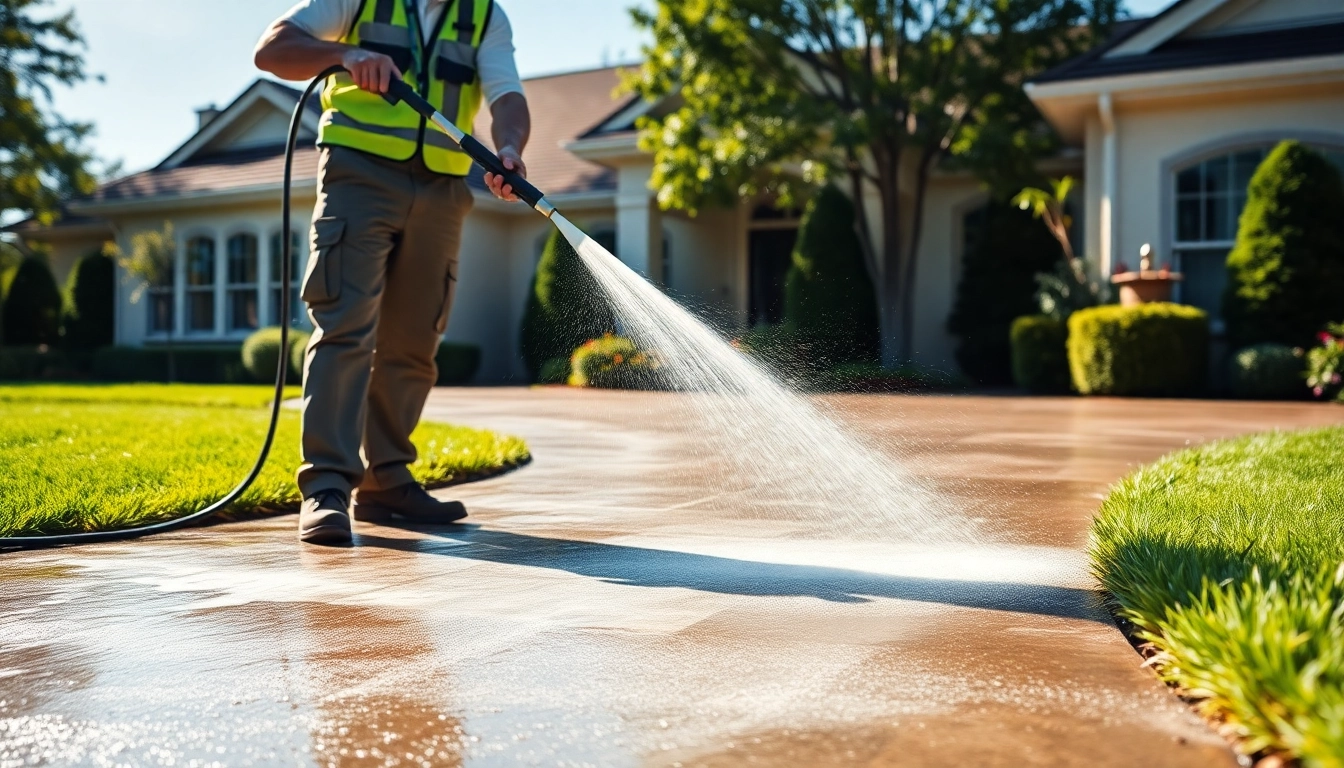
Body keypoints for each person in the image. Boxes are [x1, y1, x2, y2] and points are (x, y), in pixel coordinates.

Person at [254, 0, 530, 545]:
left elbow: (506, 94)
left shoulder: (483, 15)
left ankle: (386, 481)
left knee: (415, 340)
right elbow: (273, 51)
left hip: (443, 187)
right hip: (359, 170)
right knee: (345, 327)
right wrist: (347, 53)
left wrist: (509, 149)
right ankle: (327, 488)